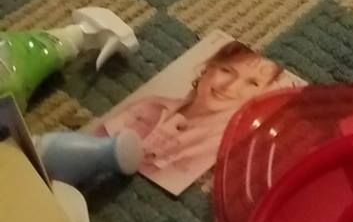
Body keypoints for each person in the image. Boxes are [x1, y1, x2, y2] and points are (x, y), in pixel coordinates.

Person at [94, 41, 290, 193]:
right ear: (207, 68)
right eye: (226, 70)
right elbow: (93, 143)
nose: (229, 87)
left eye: (252, 83)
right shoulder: (150, 106)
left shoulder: (222, 147)